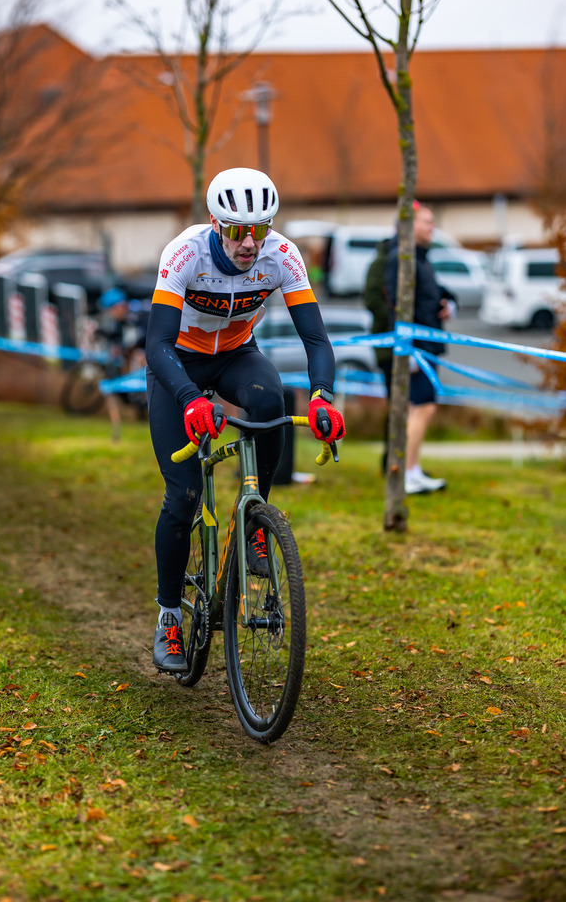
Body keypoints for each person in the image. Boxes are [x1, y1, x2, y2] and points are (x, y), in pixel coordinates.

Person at [145, 167, 346, 672]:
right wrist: (189, 398)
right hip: (178, 364)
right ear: (216, 224)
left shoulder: (283, 255)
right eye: (237, 230)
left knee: (271, 399)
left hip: (236, 355)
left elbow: (316, 340)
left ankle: (256, 518)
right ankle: (169, 615)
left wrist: (323, 397)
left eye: (260, 228)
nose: (249, 242)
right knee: (183, 495)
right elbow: (156, 343)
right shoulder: (184, 253)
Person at [385, 203, 456, 496]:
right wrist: (408, 348)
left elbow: (434, 292)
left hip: (427, 344)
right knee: (422, 407)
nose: (432, 227)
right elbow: (395, 304)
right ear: (410, 224)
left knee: (421, 407)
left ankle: (412, 469)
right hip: (416, 347)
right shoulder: (400, 257)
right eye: (427, 221)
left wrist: (450, 302)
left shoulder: (421, 257)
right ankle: (407, 472)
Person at [364, 235, 395, 474]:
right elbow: (372, 299)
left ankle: (403, 460)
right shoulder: (381, 263)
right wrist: (397, 321)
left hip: (404, 341)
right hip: (389, 344)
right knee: (396, 404)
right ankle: (391, 459)